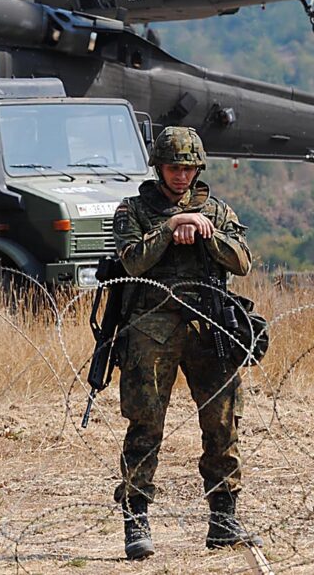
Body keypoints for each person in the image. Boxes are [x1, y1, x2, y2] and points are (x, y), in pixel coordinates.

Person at [111, 125, 259, 560]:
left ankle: (224, 518)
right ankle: (136, 517)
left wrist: (208, 232)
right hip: (151, 329)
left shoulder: (217, 210)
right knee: (145, 425)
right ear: (159, 168)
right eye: (174, 168)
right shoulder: (134, 210)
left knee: (222, 425)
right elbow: (131, 261)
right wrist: (171, 226)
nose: (181, 176)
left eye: (189, 168)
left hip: (209, 328)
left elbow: (243, 261)